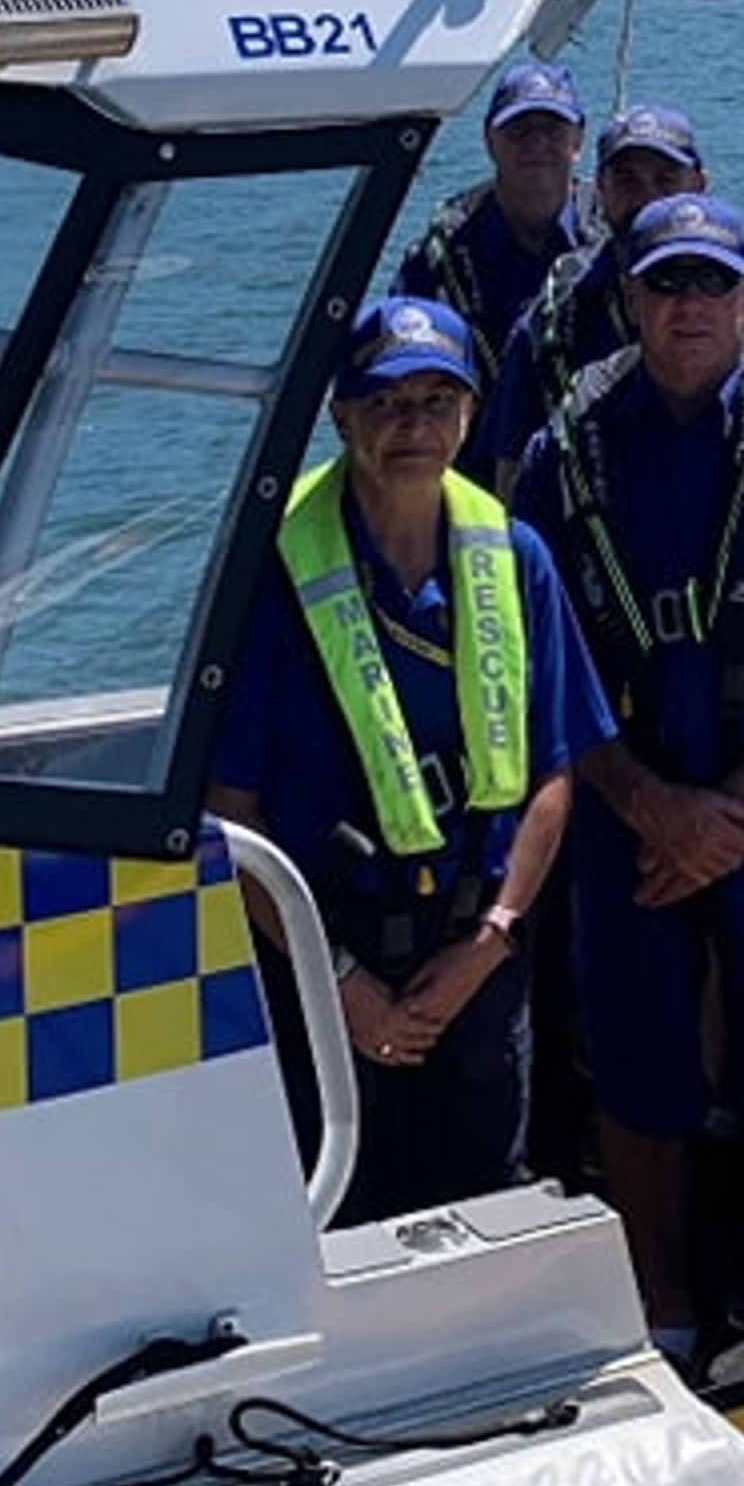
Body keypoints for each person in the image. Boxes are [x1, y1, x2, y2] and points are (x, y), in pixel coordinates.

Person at [510, 193, 744, 1369]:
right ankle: (666, 1320)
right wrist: (649, 807)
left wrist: (738, 816)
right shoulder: (558, 454)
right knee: (638, 1085)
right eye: (664, 285)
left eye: (712, 285)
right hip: (628, 815)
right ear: (627, 301)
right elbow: (540, 655)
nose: (689, 308)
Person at [211, 297, 610, 1222]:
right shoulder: (271, 574)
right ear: (342, 415)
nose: (414, 428)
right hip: (324, 969)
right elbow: (235, 803)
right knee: (333, 1216)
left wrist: (493, 939)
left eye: (439, 403)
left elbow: (554, 774)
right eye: (388, 404)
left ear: (471, 417)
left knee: (480, 1203)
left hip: (477, 959)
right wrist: (342, 985)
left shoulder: (517, 560)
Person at [478, 103, 704, 487]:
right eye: (627, 180)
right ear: (599, 187)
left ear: (698, 186)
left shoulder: (734, 300)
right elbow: (510, 475)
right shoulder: (552, 318)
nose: (648, 199)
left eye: (666, 179)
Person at [395, 55, 596, 409]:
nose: (536, 143)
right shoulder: (442, 254)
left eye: (551, 129)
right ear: (489, 140)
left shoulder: (612, 233)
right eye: (519, 131)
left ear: (578, 140)